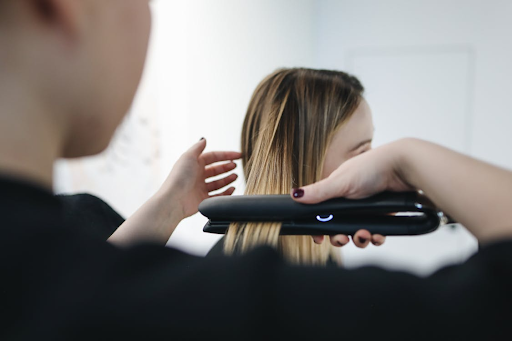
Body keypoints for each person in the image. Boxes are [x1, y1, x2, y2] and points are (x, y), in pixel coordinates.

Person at [1, 1, 512, 340]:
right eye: (363, 152)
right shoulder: (244, 299)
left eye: (376, 152)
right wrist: (410, 155)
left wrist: (166, 206)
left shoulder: (60, 260)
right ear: (65, 7)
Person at [214, 67, 386, 266]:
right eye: (362, 151)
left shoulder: (322, 253)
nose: (375, 165)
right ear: (305, 162)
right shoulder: (239, 269)